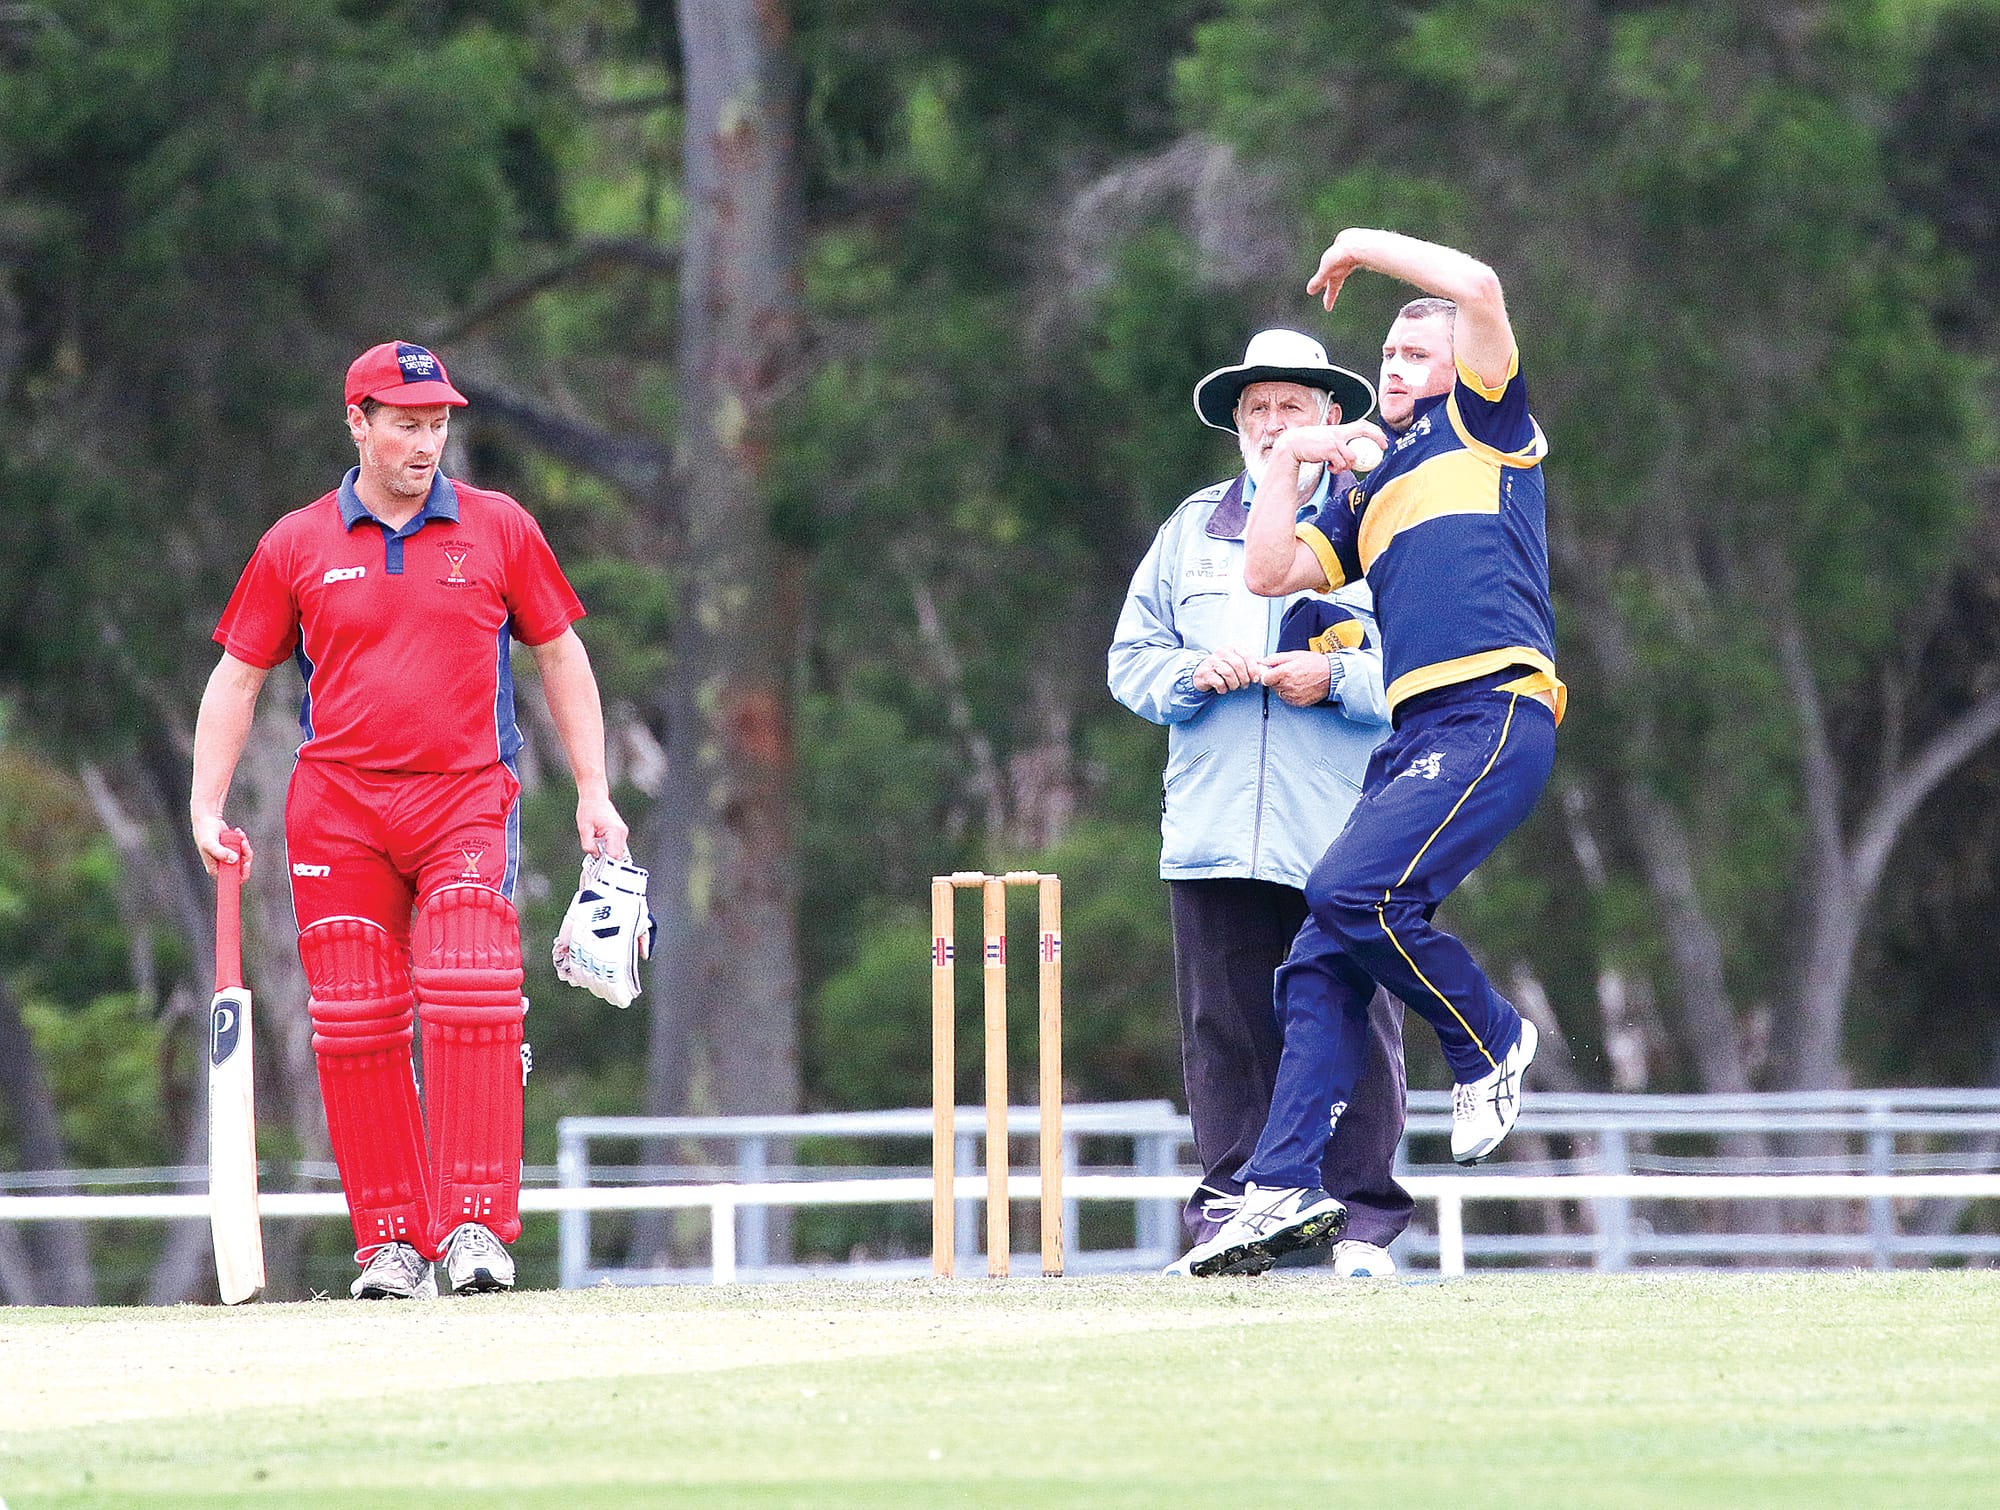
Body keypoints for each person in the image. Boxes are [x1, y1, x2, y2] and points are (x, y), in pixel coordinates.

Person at [189, 340, 630, 1300]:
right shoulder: (296, 542)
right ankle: (391, 1241)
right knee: (354, 1023)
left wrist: (594, 791)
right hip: (338, 806)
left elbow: (561, 655)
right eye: (407, 425)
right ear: (359, 423)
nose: (426, 444)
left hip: (465, 795)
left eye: (437, 425)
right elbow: (239, 673)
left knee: (470, 993)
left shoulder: (499, 527)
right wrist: (205, 803)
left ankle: (474, 1230)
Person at [1179, 230, 1564, 1277]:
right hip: (1415, 737)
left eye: (1413, 355)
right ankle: (1276, 1187)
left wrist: (1360, 247)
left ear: (1458, 369)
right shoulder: (1365, 481)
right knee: (1318, 954)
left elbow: (1478, 281)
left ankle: (1489, 1037)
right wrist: (1291, 462)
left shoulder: (1485, 425)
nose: (1394, 370)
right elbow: (1266, 573)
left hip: (1494, 711)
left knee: (1349, 894)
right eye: (1386, 359)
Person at [1110, 329, 1411, 1279]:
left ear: (1330, 417)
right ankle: (1232, 1220)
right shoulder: (1191, 527)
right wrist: (1197, 673)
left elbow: (1433, 666)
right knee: (1226, 1031)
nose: (1273, 425)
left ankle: (1360, 1227)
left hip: (1344, 825)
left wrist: (1339, 679)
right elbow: (1131, 662)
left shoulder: (1381, 522)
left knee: (1353, 1022)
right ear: (1239, 424)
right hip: (1211, 828)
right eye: (1257, 410)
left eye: (1291, 408)